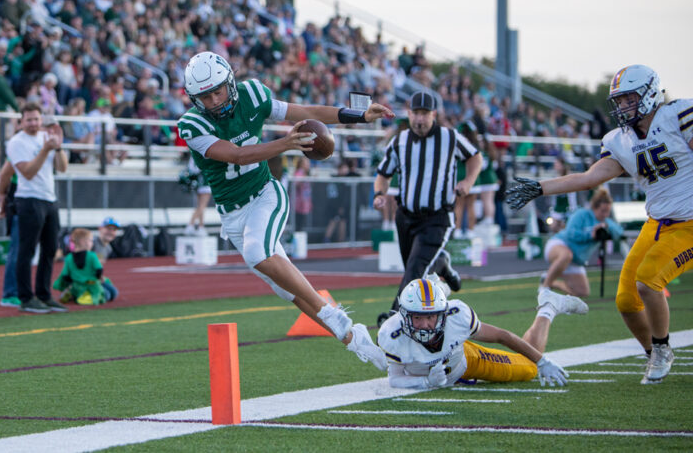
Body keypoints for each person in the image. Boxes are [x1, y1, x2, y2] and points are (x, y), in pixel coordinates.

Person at [177, 51, 393, 370]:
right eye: (205, 97)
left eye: (217, 91)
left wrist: (358, 115)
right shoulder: (192, 124)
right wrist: (286, 144)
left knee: (257, 252)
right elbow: (236, 155)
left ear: (230, 83)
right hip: (232, 215)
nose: (213, 101)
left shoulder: (252, 95)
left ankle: (331, 313)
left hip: (265, 194)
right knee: (287, 290)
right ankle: (355, 340)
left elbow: (305, 112)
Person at [505, 64, 693, 384]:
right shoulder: (619, 140)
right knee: (626, 300)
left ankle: (662, 349)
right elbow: (591, 177)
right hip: (657, 223)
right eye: (619, 101)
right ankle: (652, 352)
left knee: (648, 282)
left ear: (649, 94)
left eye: (629, 99)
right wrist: (541, 187)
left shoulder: (678, 115)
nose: (623, 106)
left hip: (689, 223)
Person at [373, 91, 482, 323]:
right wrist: (379, 194)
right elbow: (383, 174)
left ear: (434, 114)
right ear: (409, 113)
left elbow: (475, 157)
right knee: (414, 271)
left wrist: (468, 182)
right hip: (406, 216)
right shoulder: (400, 141)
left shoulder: (449, 137)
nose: (419, 119)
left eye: (424, 114)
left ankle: (394, 317)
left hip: (437, 217)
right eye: (415, 113)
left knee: (415, 270)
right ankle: (442, 265)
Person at [378, 276, 584, 390]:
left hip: (464, 362)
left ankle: (548, 307)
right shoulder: (391, 333)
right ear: (404, 316)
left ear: (442, 314)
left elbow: (501, 336)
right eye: (417, 317)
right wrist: (425, 382)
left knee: (529, 369)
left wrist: (542, 361)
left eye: (431, 316)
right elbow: (395, 378)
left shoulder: (457, 316)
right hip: (438, 371)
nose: (425, 325)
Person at [6, 102, 69, 314]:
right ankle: (26, 297)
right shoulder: (16, 142)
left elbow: (62, 167)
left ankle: (44, 294)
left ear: (41, 120)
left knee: (50, 249)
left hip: (49, 198)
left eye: (36, 119)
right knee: (27, 250)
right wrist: (45, 150)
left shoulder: (46, 137)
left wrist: (58, 147)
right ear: (21, 121)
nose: (33, 123)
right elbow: (28, 172)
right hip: (28, 199)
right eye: (29, 119)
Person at [541, 188, 623, 297]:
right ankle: (544, 288)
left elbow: (619, 232)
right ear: (595, 208)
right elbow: (570, 233)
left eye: (608, 211)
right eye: (603, 211)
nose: (605, 214)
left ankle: (552, 282)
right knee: (566, 255)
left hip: (576, 259)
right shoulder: (581, 214)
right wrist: (590, 235)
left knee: (582, 292)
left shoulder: (605, 222)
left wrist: (606, 226)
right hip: (559, 244)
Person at [54, 228, 114, 305]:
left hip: (76, 285)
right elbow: (99, 270)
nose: (92, 243)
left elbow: (65, 275)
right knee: (110, 294)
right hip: (92, 284)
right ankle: (86, 296)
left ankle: (73, 293)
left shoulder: (69, 257)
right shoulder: (92, 256)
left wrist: (72, 283)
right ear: (83, 242)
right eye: (91, 240)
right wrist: (99, 278)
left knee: (77, 288)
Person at [0, 160, 20, 308]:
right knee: (17, 249)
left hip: (42, 200)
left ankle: (26, 291)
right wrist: (1, 197)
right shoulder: (18, 149)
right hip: (19, 200)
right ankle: (10, 293)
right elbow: (4, 174)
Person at [93, 216, 120, 302]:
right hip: (86, 278)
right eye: (108, 229)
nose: (111, 232)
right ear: (100, 229)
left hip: (95, 278)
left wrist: (100, 277)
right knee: (106, 295)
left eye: (114, 230)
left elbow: (99, 265)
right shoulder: (92, 243)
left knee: (114, 293)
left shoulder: (108, 248)